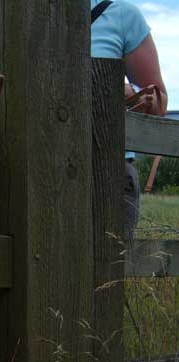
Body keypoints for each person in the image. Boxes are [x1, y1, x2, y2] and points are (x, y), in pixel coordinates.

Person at [91, 0, 168, 239]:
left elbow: (159, 101)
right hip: (39, 169)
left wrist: (133, 97)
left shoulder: (122, 15)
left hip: (109, 169)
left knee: (113, 266)